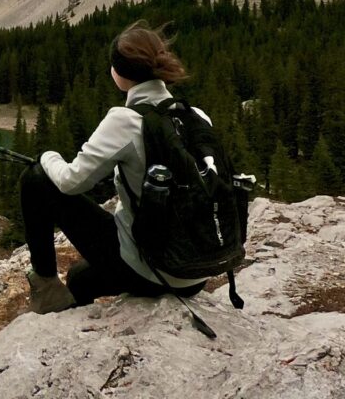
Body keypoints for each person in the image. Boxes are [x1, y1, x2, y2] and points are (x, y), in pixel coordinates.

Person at [20, 21, 209, 314]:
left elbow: (71, 182)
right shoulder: (195, 116)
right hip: (197, 272)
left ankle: (44, 285)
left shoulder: (125, 119)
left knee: (35, 178)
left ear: (118, 73)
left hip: (154, 268)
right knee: (80, 279)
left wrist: (48, 156)